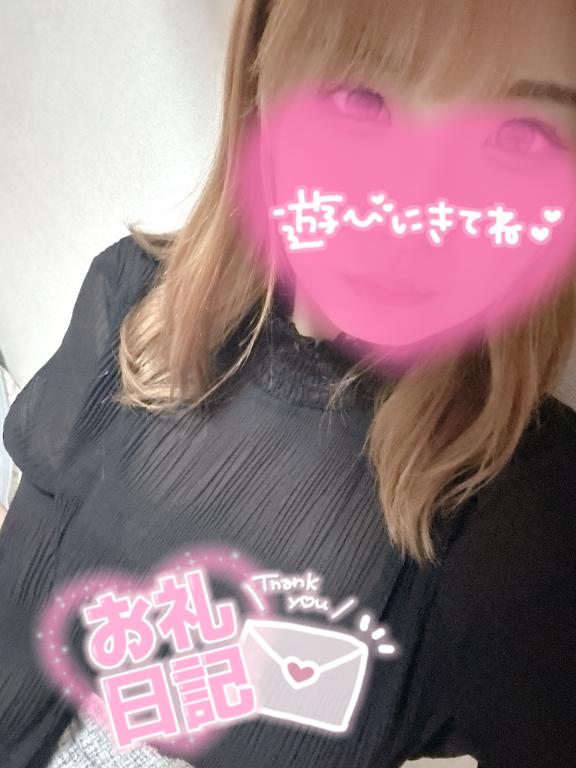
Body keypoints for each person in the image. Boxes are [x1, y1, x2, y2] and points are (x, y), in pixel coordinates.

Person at [1, 1, 576, 767]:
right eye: (361, 98)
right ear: (259, 78)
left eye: (519, 137)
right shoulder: (132, 304)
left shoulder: (520, 508)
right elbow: (19, 613)